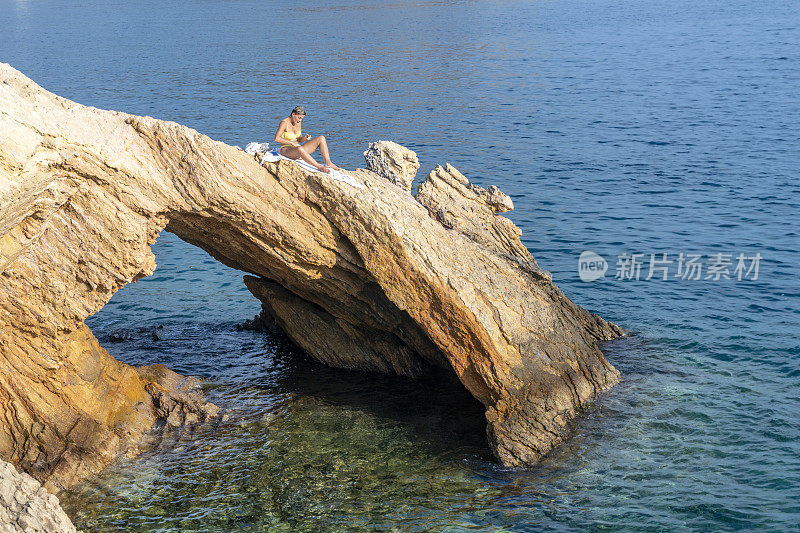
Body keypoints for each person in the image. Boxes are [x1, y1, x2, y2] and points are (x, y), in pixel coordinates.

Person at [274, 106, 342, 173]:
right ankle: (319, 167)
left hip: (298, 149)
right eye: (299, 118)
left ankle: (328, 163)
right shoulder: (284, 123)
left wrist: (304, 138)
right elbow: (277, 138)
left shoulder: (298, 122)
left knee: (321, 138)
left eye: (302, 118)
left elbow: (299, 139)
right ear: (293, 114)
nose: (300, 120)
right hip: (286, 150)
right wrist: (291, 143)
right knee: (300, 148)